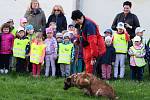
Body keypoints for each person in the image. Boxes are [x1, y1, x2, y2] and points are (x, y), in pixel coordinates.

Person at [71, 10, 106, 74]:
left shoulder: (89, 25)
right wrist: (78, 41)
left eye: (77, 20)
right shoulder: (80, 23)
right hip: (86, 47)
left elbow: (93, 43)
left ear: (82, 17)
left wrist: (93, 57)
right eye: (75, 21)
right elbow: (81, 34)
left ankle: (90, 82)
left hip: (94, 48)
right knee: (87, 65)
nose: (76, 22)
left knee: (90, 68)